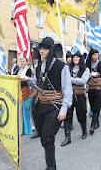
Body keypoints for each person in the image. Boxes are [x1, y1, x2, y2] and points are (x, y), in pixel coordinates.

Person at [19, 37, 72, 170]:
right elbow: (36, 84)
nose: (42, 51)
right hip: (40, 104)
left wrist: (64, 109)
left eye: (45, 48)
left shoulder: (62, 66)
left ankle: (51, 167)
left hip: (55, 105)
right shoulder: (38, 66)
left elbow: (67, 89)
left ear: (51, 50)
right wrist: (28, 79)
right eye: (41, 48)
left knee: (48, 137)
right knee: (43, 137)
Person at [61, 51, 90, 146]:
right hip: (68, 95)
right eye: (74, 58)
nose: (75, 59)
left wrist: (70, 79)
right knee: (67, 116)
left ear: (80, 59)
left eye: (77, 57)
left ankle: (84, 131)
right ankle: (67, 137)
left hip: (79, 95)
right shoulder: (68, 68)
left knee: (81, 115)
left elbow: (83, 81)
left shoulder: (85, 69)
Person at [86, 48, 101, 135]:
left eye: (97, 55)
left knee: (97, 105)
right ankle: (97, 121)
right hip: (91, 88)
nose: (96, 57)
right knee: (92, 105)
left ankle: (92, 126)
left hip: (99, 88)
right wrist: (91, 74)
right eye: (94, 55)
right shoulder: (87, 65)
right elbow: (84, 75)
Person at [16, 57, 33, 135]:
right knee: (20, 110)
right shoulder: (18, 70)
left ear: (26, 62)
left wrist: (22, 80)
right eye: (21, 61)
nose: (22, 62)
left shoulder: (29, 70)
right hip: (19, 92)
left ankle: (27, 129)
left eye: (23, 61)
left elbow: (28, 80)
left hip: (27, 92)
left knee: (26, 110)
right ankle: (21, 128)